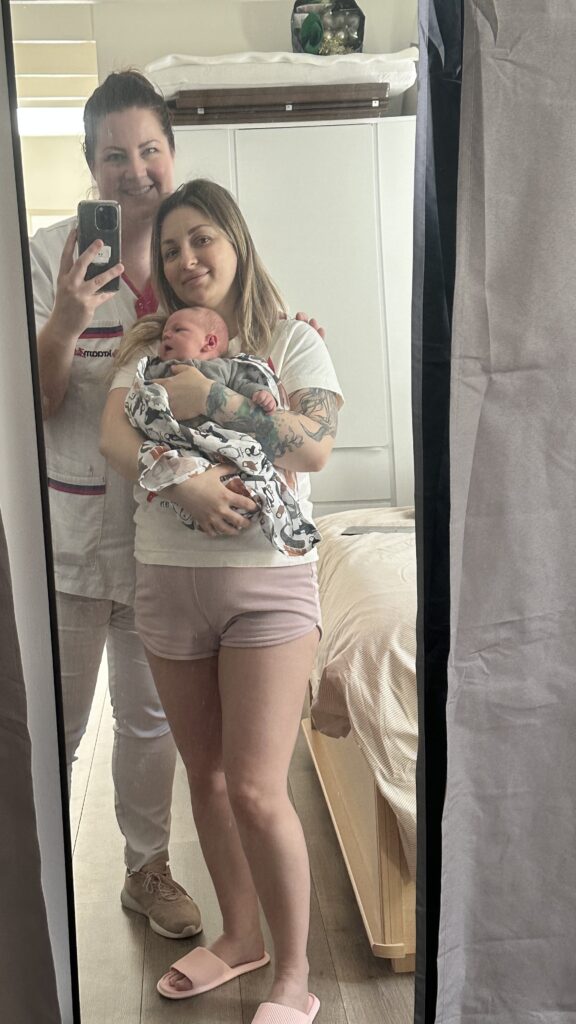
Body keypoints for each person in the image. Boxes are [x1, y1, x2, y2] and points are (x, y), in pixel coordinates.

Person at [100, 178, 343, 1024]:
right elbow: (114, 435)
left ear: (235, 240)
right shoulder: (149, 346)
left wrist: (216, 400)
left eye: (201, 238)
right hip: (167, 580)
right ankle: (242, 938)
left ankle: (295, 977)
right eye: (170, 248)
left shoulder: (291, 340)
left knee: (256, 788)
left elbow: (313, 449)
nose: (186, 258)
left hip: (268, 587)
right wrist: (186, 485)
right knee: (202, 777)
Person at [28, 70, 203, 939]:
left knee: (149, 720)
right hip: (67, 537)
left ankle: (147, 870)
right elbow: (37, 401)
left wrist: (297, 339)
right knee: (53, 726)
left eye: (149, 150)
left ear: (172, 152)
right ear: (89, 164)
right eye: (114, 156)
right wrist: (66, 315)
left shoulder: (191, 257)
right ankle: (34, 883)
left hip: (162, 538)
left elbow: (246, 344)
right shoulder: (44, 254)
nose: (135, 171)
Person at [121, 307, 321, 556]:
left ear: (210, 342)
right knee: (155, 455)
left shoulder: (225, 367)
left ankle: (263, 511)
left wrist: (261, 395)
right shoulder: (156, 368)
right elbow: (136, 399)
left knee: (250, 462)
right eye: (164, 334)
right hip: (179, 443)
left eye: (178, 330)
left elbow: (245, 385)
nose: (167, 336)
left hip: (219, 442)